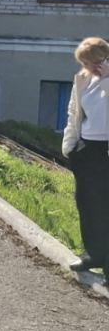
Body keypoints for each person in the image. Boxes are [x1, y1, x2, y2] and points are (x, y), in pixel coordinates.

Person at [62, 36, 109, 274]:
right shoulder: (82, 79)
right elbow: (74, 112)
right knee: (87, 204)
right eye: (84, 63)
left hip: (106, 150)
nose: (87, 67)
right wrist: (69, 146)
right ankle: (93, 256)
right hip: (86, 148)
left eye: (90, 62)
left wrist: (107, 79)